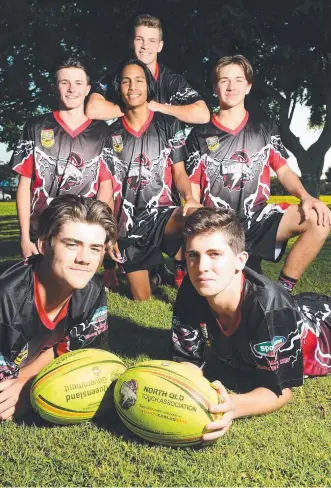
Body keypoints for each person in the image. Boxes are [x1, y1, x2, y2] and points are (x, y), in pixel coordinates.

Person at [171, 207, 331, 443]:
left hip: (322, 326)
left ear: (240, 260)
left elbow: (279, 390)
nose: (201, 267)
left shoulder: (270, 308)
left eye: (214, 254)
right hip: (299, 305)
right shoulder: (192, 288)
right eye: (193, 255)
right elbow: (189, 360)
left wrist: (232, 406)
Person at [186, 55, 331, 292]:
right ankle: (189, 271)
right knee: (235, 296)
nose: (231, 86)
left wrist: (306, 197)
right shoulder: (199, 134)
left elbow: (282, 170)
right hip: (219, 224)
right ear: (215, 87)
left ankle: (283, 290)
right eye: (224, 80)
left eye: (238, 80)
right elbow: (192, 185)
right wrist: (193, 209)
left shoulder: (265, 128)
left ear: (249, 86)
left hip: (258, 218)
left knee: (319, 219)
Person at [86, 14, 210, 287]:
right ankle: (142, 267)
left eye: (151, 41)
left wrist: (157, 107)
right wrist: (133, 105)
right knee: (140, 290)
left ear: (160, 45)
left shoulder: (171, 80)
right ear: (132, 42)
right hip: (127, 153)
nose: (145, 46)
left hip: (165, 151)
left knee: (187, 212)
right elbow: (92, 108)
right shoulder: (119, 75)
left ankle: (179, 265)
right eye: (140, 39)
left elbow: (202, 114)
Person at [0, 195, 117, 421]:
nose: (84, 259)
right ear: (44, 245)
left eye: (95, 248)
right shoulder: (7, 297)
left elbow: (80, 358)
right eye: (72, 244)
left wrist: (27, 384)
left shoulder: (91, 291)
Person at [104, 59, 201, 301]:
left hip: (162, 215)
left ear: (148, 86)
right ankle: (154, 274)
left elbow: (179, 172)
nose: (133, 86)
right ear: (119, 88)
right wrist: (109, 232)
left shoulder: (168, 125)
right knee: (142, 298)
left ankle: (188, 276)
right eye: (126, 81)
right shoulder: (109, 134)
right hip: (129, 227)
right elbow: (106, 190)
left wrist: (189, 199)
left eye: (139, 80)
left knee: (199, 220)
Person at [11, 58, 113, 259]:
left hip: (81, 231)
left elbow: (106, 185)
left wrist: (97, 229)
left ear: (88, 89)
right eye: (64, 82)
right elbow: (24, 185)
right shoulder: (35, 127)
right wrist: (24, 237)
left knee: (74, 286)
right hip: (41, 230)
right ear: (54, 87)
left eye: (78, 83)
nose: (72, 89)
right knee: (39, 287)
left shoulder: (101, 131)